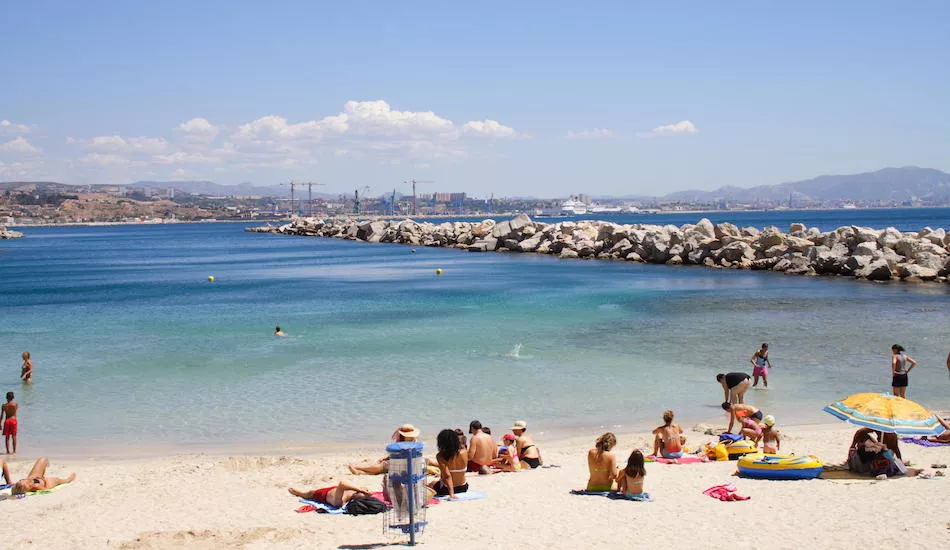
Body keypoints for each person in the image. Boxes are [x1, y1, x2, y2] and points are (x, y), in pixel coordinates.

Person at [348, 424, 420, 475]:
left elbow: (398, 455)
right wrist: (386, 457)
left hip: (400, 465)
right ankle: (359, 472)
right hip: (408, 464)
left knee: (382, 466)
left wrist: (387, 458)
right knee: (380, 465)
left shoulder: (402, 444)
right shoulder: (414, 442)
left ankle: (357, 467)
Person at [429, 428, 468, 498]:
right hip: (463, 487)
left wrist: (451, 494)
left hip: (446, 489)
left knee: (430, 485)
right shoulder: (464, 452)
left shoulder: (440, 456)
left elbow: (447, 475)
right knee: (434, 483)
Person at [6, 457, 76, 495]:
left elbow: (15, 489)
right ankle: (69, 479)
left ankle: (47, 464)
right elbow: (46, 490)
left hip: (35, 477)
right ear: (28, 486)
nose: (22, 480)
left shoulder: (27, 482)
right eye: (24, 481)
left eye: (21, 480)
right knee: (60, 480)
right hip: (46, 482)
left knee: (42, 459)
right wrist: (45, 481)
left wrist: (31, 478)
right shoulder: (36, 486)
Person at [288, 480, 373, 508]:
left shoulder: (340, 502)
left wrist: (360, 490)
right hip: (335, 489)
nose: (360, 491)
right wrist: (363, 491)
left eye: (359, 492)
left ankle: (300, 494)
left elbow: (342, 484)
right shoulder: (353, 494)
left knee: (310, 494)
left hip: (323, 495)